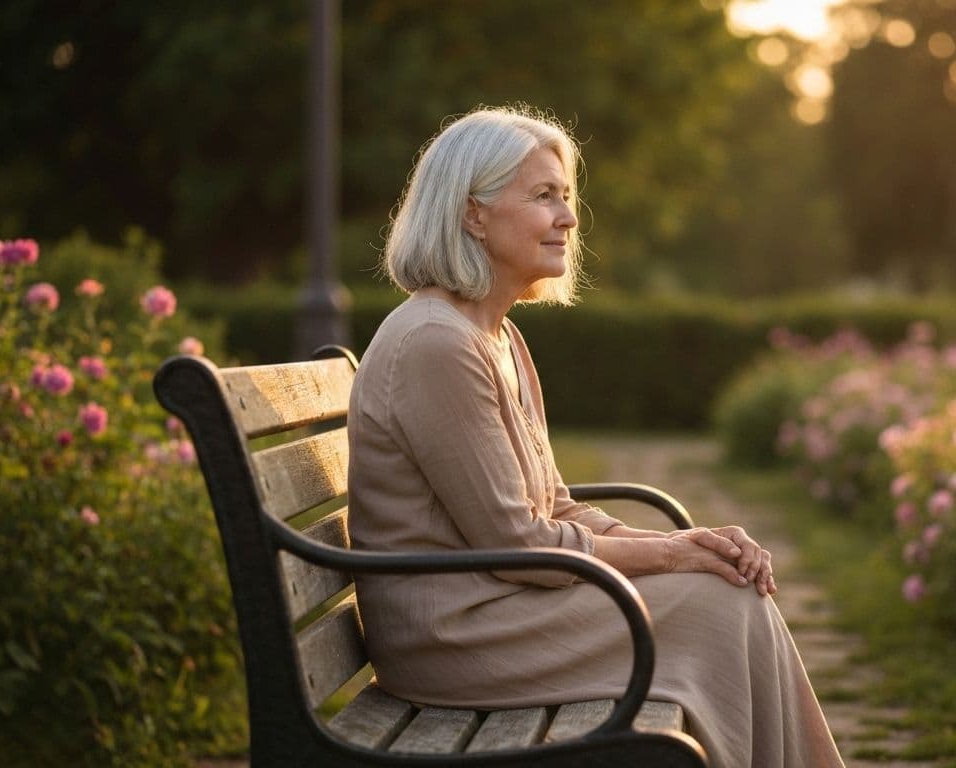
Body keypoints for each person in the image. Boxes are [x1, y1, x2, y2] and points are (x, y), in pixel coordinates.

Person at [347, 105, 845, 768]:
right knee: (716, 606)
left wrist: (690, 544)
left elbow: (555, 509)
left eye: (567, 196)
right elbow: (518, 546)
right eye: (543, 196)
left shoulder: (496, 335)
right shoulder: (437, 343)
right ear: (473, 215)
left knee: (727, 592)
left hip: (501, 607)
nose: (569, 218)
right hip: (454, 637)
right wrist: (671, 556)